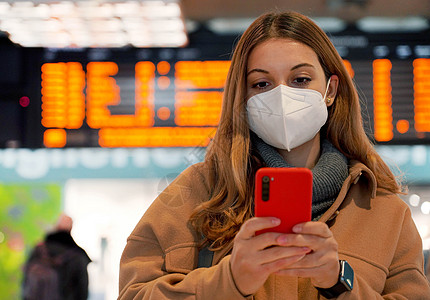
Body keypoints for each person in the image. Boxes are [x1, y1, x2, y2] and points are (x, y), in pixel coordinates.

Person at [119, 11, 430, 299]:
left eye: (301, 80)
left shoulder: (386, 212)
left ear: (331, 90)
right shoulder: (193, 195)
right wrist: (229, 280)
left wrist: (339, 281)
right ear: (243, 96)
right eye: (262, 83)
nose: (281, 95)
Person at [23, 213, 91, 300]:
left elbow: (26, 281)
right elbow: (82, 291)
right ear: (71, 229)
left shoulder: (39, 250)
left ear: (56, 227)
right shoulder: (77, 256)